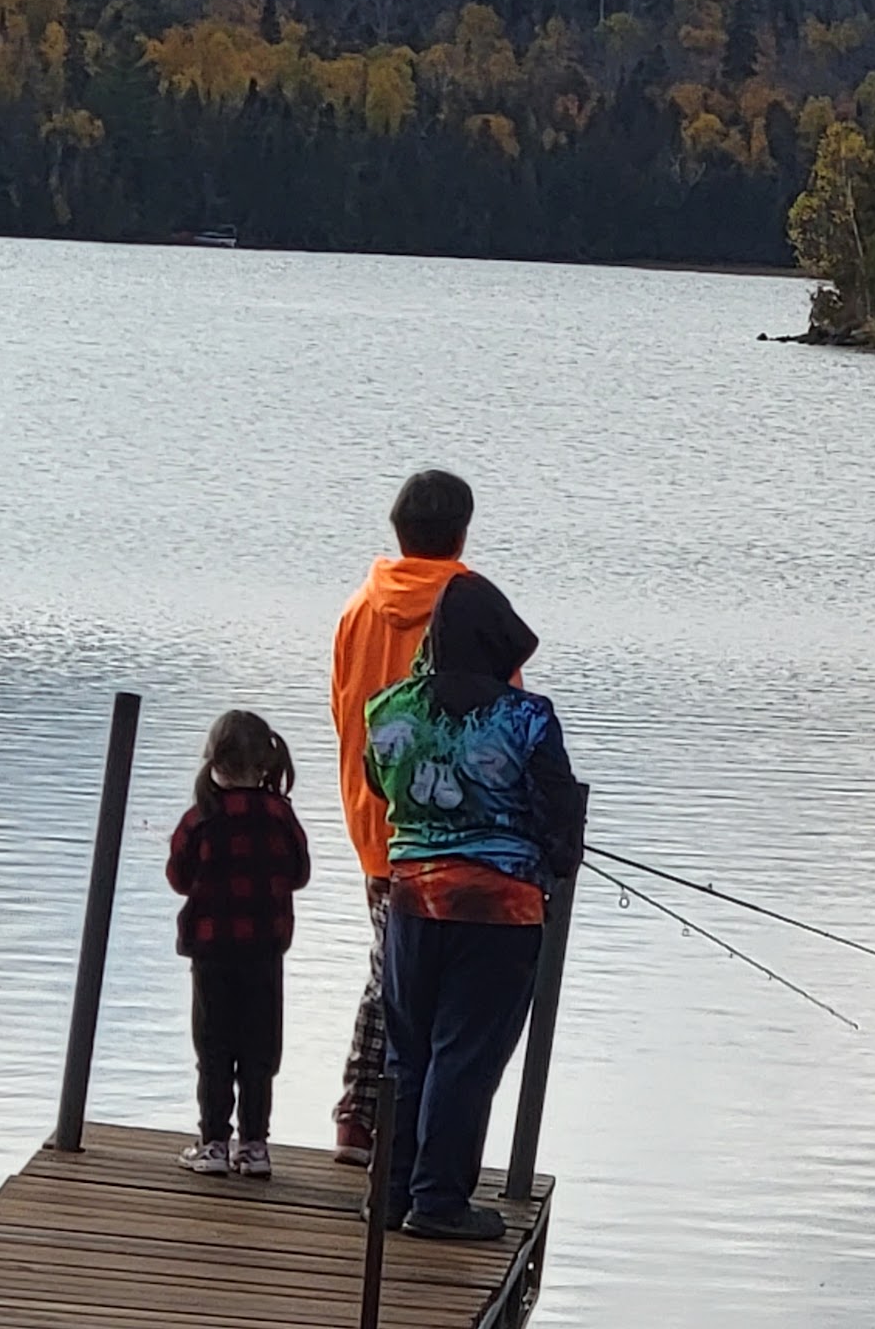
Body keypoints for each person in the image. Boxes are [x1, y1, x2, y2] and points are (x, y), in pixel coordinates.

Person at [367, 571, 584, 1241]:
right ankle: (437, 1203)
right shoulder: (528, 718)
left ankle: (390, 1192)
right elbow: (559, 826)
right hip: (500, 915)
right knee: (464, 1056)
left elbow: (383, 789)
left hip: (409, 904)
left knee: (406, 1054)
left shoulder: (387, 709)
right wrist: (551, 850)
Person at [330, 469, 478, 1166]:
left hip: (374, 819)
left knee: (394, 965)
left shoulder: (359, 608)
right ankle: (367, 1117)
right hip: (447, 823)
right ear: (462, 532)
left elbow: (342, 711)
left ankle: (372, 1118)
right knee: (411, 980)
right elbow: (495, 723)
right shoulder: (469, 607)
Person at [167, 709, 310, 1180]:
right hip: (265, 953)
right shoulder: (279, 815)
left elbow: (179, 878)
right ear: (265, 764)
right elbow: (299, 874)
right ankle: (254, 1145)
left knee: (212, 1048)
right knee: (259, 1051)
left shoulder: (200, 819)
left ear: (214, 760)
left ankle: (212, 1142)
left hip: (211, 955)